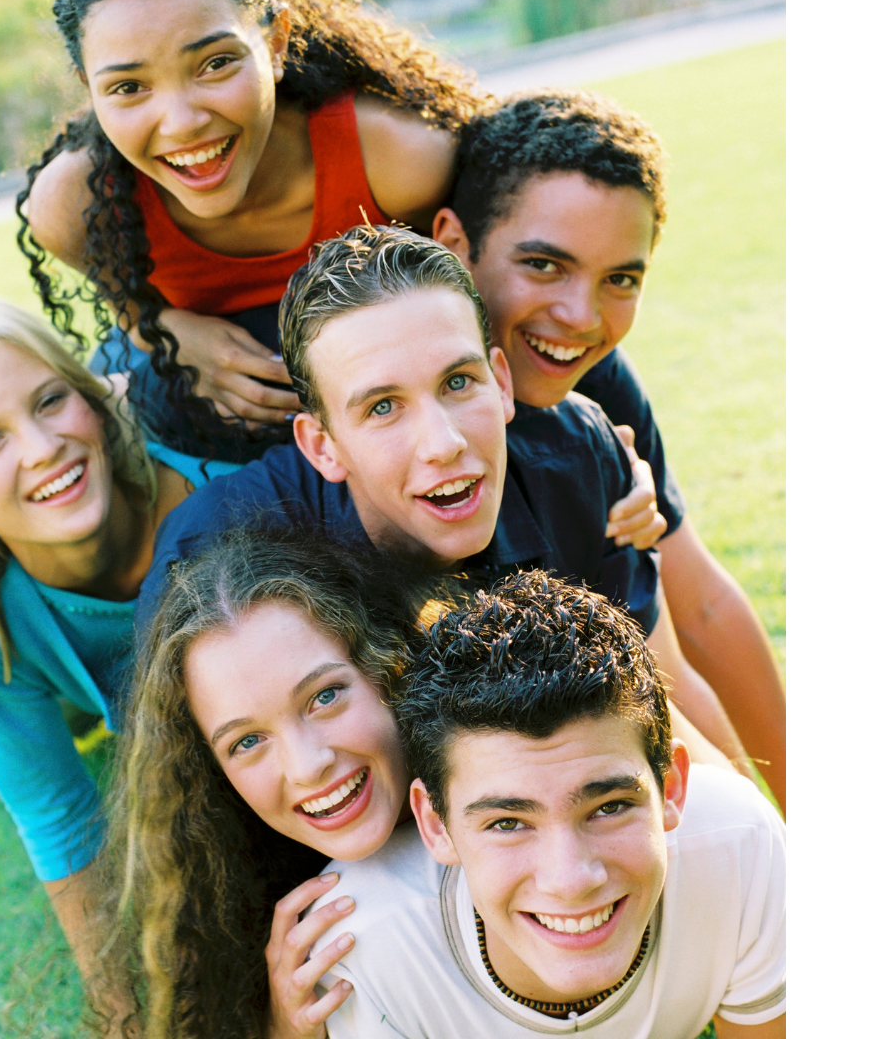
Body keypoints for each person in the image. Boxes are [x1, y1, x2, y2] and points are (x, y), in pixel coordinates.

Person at [139, 224, 749, 764]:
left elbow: (660, 701)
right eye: (383, 407)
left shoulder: (574, 456)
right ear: (322, 445)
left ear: (502, 382)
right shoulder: (207, 561)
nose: (444, 442)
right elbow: (197, 815)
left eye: (458, 382)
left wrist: (764, 849)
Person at [106, 524, 730, 1039]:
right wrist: (285, 1028)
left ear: (389, 665)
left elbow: (708, 801)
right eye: (246, 741)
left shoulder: (529, 726)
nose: (306, 765)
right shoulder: (302, 917)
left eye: (325, 696)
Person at [433, 90, 786, 810]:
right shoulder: (399, 423)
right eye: (543, 265)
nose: (582, 318)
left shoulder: (595, 391)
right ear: (453, 244)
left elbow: (700, 611)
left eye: (620, 279)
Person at [19, 0, 487, 462]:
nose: (182, 124)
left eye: (215, 63)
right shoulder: (75, 205)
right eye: (129, 87)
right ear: (88, 86)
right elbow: (128, 305)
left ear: (275, 41)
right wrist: (163, 329)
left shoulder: (399, 161)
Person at [309, 571, 786, 1038]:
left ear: (671, 786)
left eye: (609, 807)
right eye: (508, 823)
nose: (571, 881)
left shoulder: (739, 845)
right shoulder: (369, 943)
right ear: (436, 824)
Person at [0, 292, 209, 1019]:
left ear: (90, 398)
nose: (43, 447)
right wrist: (116, 1010)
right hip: (68, 675)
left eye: (50, 401)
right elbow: (59, 814)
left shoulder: (215, 496)